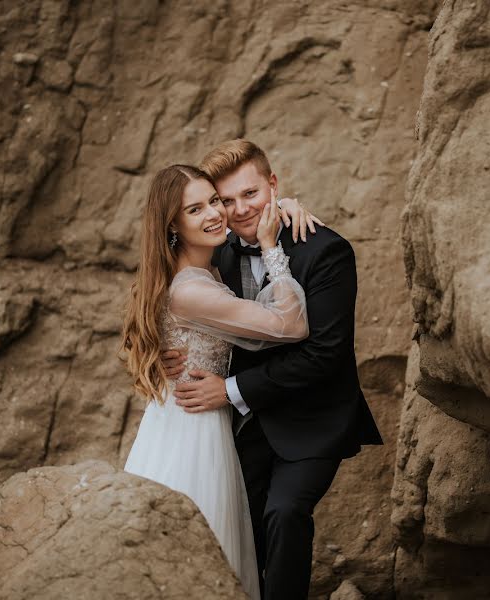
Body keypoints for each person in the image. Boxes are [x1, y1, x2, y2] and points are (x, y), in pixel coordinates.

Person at [163, 140, 383, 599]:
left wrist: (230, 389)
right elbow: (163, 305)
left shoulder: (326, 251)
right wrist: (165, 352)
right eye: (227, 200)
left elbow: (325, 353)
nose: (240, 210)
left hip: (313, 418)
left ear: (274, 185)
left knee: (283, 513)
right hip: (246, 424)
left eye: (252, 194)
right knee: (230, 514)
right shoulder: (215, 251)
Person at [120, 164, 318, 600]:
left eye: (214, 200)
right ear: (173, 223)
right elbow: (292, 323)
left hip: (188, 418)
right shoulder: (191, 289)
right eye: (195, 209)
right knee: (200, 547)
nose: (214, 213)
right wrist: (270, 246)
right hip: (194, 430)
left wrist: (283, 206)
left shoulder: (199, 271)